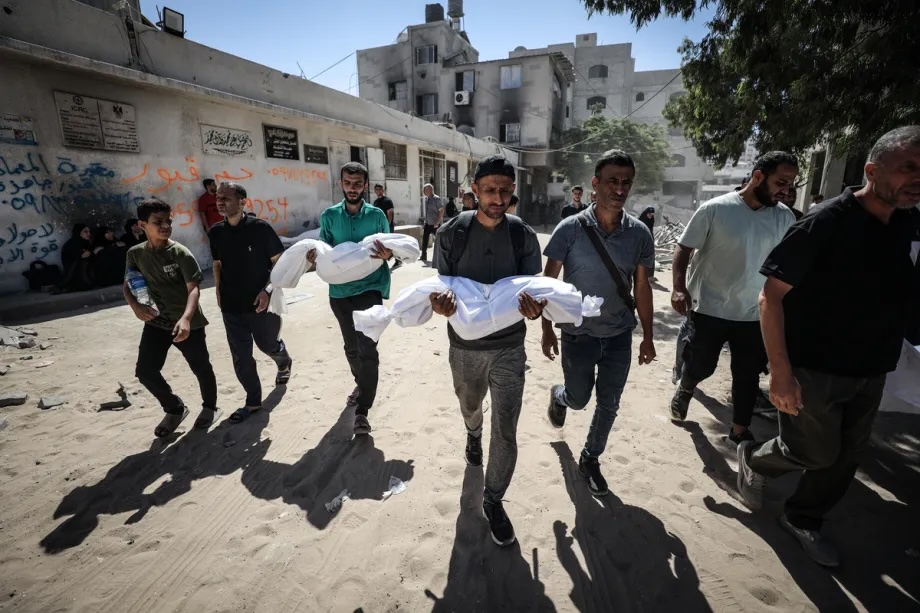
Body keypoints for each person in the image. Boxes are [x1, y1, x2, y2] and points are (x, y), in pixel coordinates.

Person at [736, 126, 920, 568]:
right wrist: (780, 373)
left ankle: (804, 519)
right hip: (814, 367)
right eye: (908, 168)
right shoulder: (825, 222)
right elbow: (770, 296)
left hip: (874, 366)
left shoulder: (909, 222)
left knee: (845, 458)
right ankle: (756, 461)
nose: (917, 180)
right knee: (813, 451)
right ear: (873, 171)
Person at [430, 155, 545, 547]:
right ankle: (472, 433)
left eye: (505, 190)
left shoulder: (523, 236)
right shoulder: (451, 233)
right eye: (490, 189)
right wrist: (441, 304)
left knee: (508, 428)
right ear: (474, 190)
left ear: (513, 192)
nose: (498, 198)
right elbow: (442, 286)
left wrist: (535, 310)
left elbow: (535, 290)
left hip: (510, 348)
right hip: (464, 348)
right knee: (469, 405)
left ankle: (493, 499)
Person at [542, 150, 657, 496]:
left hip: (620, 333)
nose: (620, 189)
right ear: (595, 184)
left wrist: (647, 336)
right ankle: (560, 397)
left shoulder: (639, 234)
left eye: (626, 182)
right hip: (578, 335)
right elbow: (549, 284)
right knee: (580, 399)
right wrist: (547, 328)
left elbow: (641, 286)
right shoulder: (570, 230)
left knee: (610, 403)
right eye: (612, 181)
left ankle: (590, 457)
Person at [669, 151, 798, 444]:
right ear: (758, 177)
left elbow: (792, 262)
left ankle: (740, 430)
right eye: (781, 182)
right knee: (702, 364)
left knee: (747, 375)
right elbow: (683, 248)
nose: (787, 190)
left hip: (755, 312)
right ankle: (686, 386)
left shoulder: (785, 218)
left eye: (791, 184)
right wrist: (679, 287)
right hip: (710, 306)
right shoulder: (716, 209)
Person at [307, 162, 393, 435]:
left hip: (370, 289)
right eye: (348, 183)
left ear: (365, 185)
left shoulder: (377, 215)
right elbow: (325, 251)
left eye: (358, 184)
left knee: (368, 349)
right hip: (341, 293)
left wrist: (387, 255)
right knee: (352, 348)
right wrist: (314, 258)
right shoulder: (329, 216)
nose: (352, 188)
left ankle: (362, 411)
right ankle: (362, 382)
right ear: (341, 184)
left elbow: (390, 248)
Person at [124, 197, 219, 437]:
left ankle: (210, 407)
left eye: (168, 221)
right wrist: (135, 306)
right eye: (158, 222)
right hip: (156, 323)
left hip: (188, 324)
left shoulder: (180, 253)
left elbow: (194, 289)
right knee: (145, 372)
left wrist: (186, 318)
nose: (166, 226)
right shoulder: (135, 254)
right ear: (142, 225)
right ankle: (175, 409)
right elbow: (128, 283)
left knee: (201, 368)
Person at [209, 182, 293, 423]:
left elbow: (279, 264)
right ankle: (253, 401)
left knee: (268, 345)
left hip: (262, 304)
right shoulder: (215, 232)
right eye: (218, 197)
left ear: (243, 201)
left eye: (226, 197)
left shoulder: (261, 229)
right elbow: (217, 264)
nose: (220, 201)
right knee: (241, 356)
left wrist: (267, 291)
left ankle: (283, 361)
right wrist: (218, 293)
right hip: (231, 305)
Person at [59, 223, 94, 292]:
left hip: (85, 274)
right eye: (85, 231)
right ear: (79, 232)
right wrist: (81, 255)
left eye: (89, 231)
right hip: (73, 272)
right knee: (82, 262)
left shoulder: (85, 243)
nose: (89, 234)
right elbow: (72, 258)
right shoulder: (71, 244)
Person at [421, 183, 444, 262]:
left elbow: (441, 210)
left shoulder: (436, 199)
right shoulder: (427, 199)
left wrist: (437, 221)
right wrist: (425, 222)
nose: (423, 191)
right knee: (424, 240)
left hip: (435, 224)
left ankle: (440, 256)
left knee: (438, 241)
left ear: (430, 190)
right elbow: (427, 212)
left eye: (425, 190)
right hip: (428, 223)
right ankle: (423, 256)